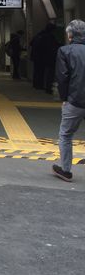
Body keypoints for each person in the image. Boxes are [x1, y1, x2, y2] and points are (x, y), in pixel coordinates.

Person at [52, 19, 85, 182]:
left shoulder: (65, 51)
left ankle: (65, 170)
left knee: (66, 134)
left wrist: (64, 98)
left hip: (75, 100)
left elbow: (62, 77)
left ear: (70, 35)